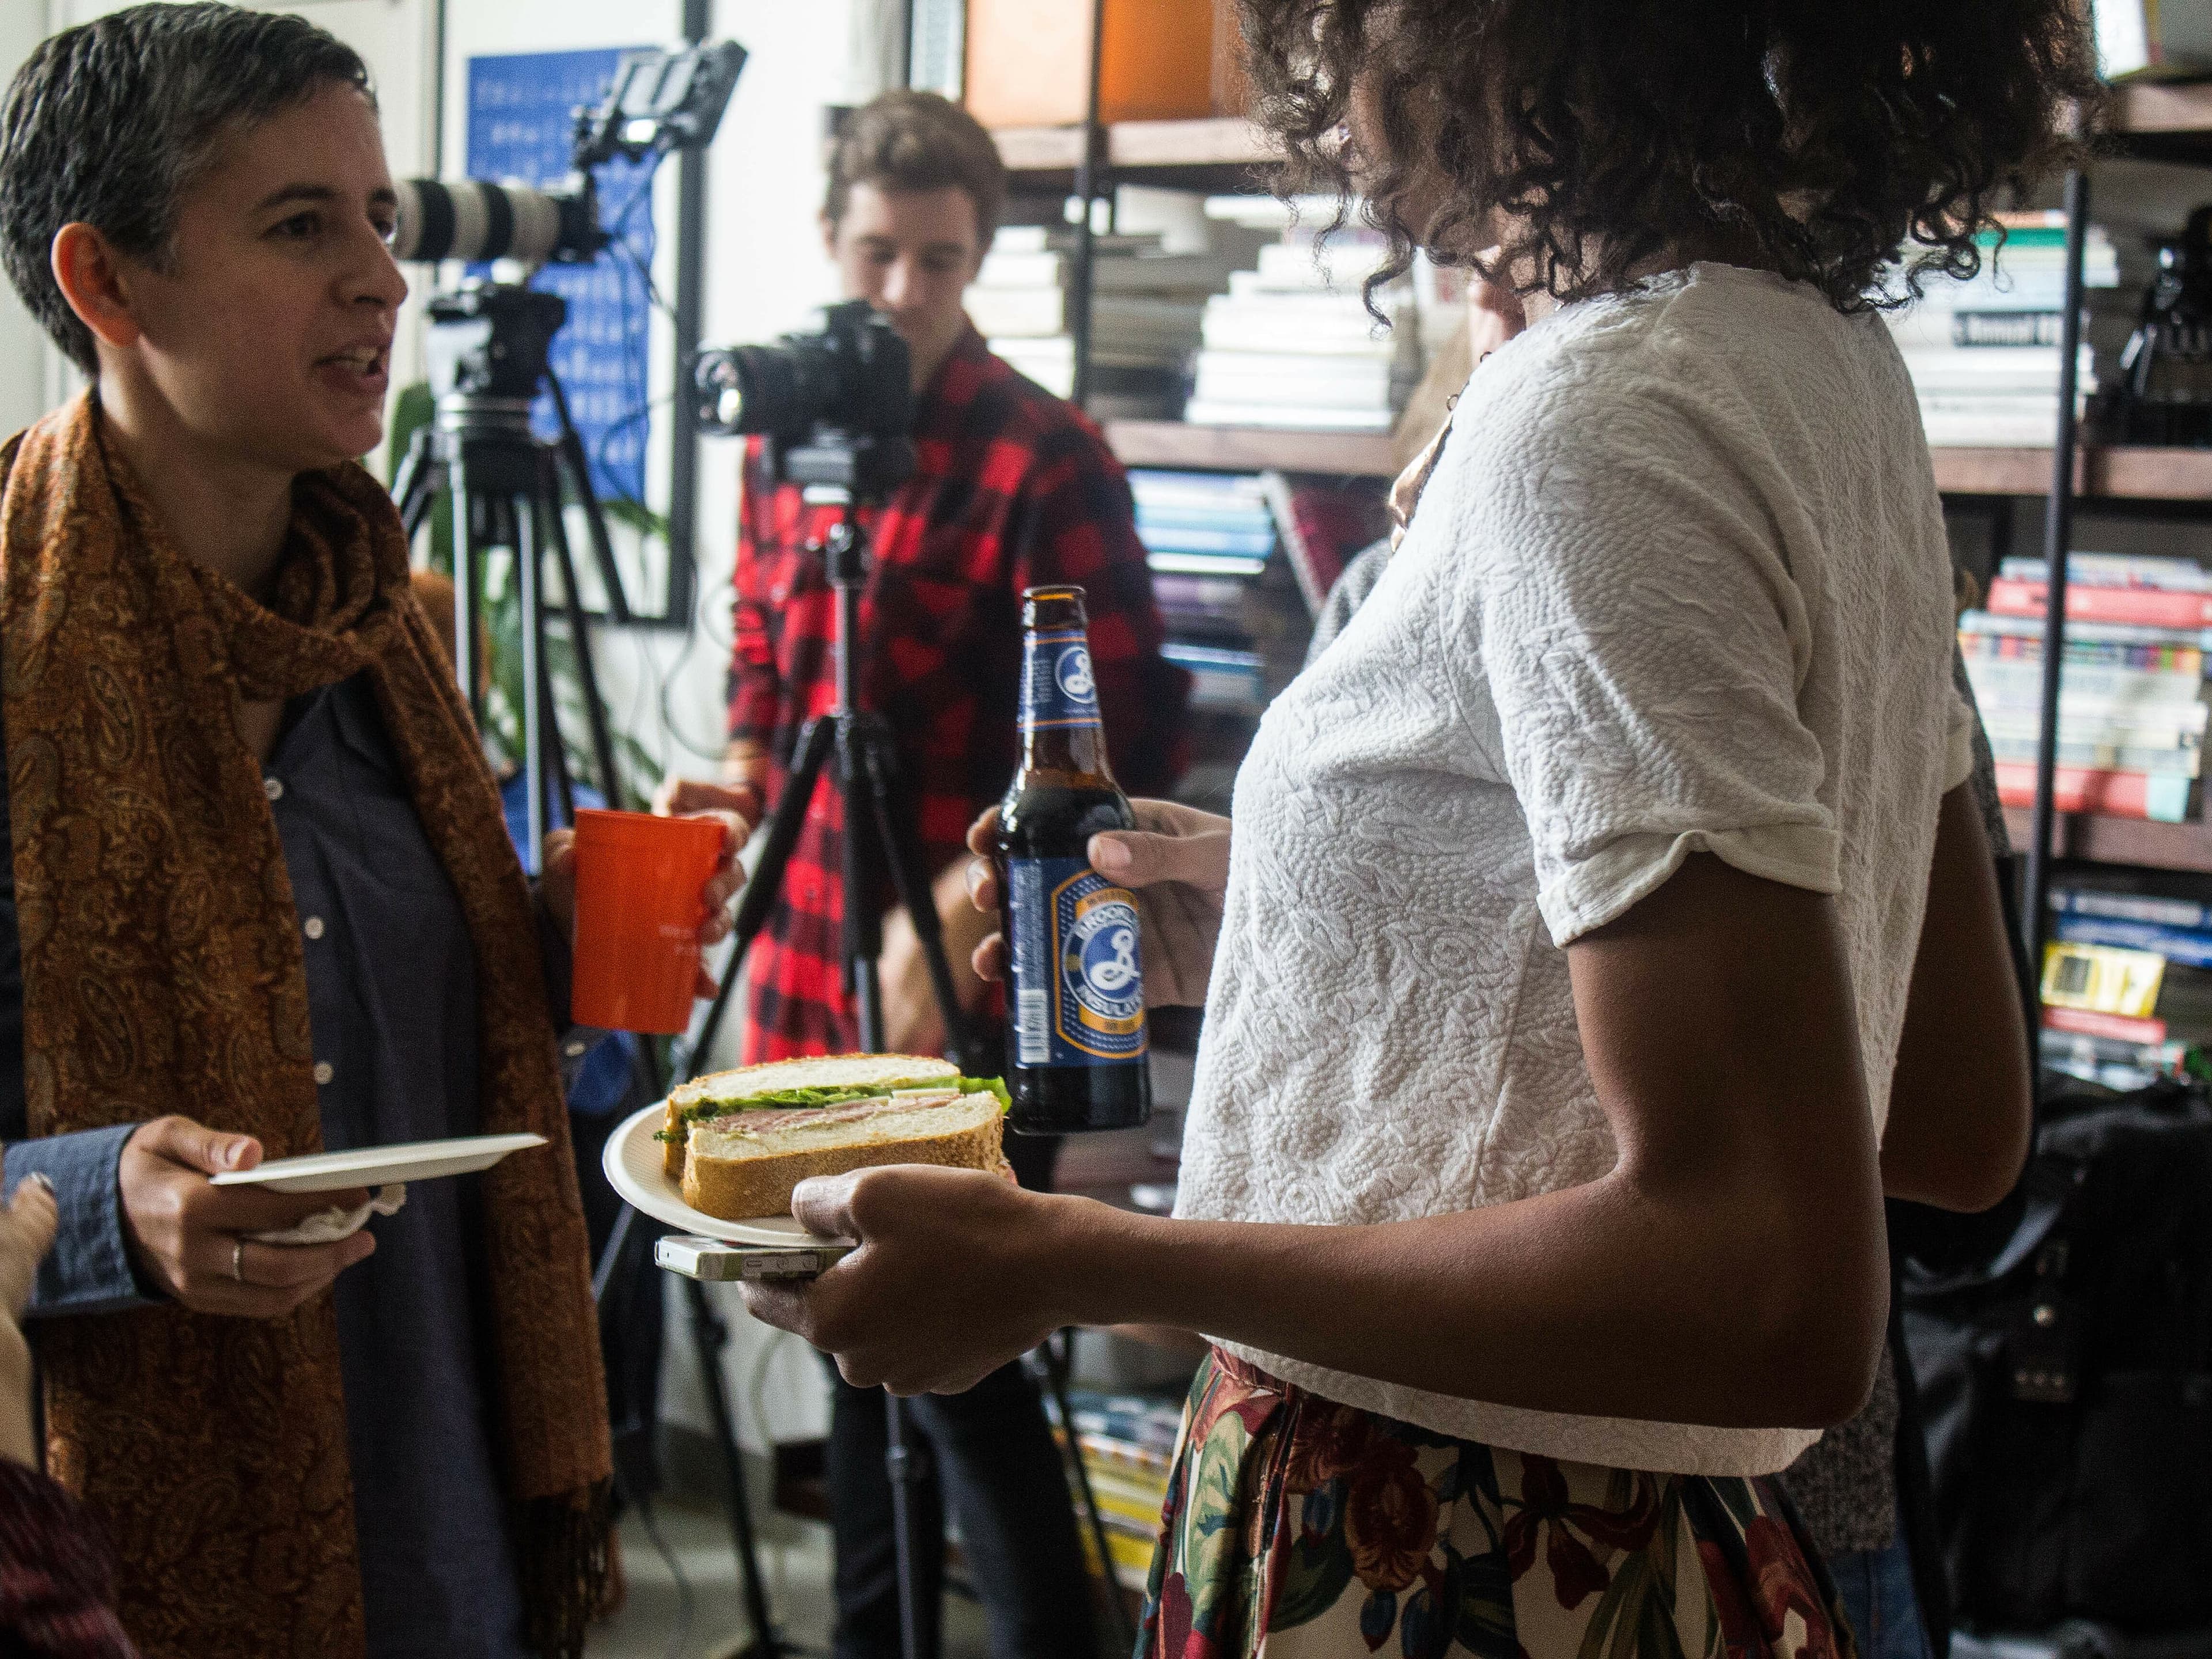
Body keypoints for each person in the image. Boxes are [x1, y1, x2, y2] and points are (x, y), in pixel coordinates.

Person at [738, 6, 2093, 1658]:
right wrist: (1326, 914)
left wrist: (1074, 1261)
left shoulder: (1594, 421)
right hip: (1644, 1563)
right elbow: (1947, 1106)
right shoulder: (1830, 374)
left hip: (1439, 1554)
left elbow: (1771, 1291)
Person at [0, 8, 751, 1656]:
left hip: (442, 1504)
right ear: (106, 285)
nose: (384, 280)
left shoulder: (392, 635)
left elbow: (402, 1037)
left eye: (381, 221)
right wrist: (101, 1209)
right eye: (299, 226)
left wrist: (548, 939)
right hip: (117, 1562)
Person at [677, 88, 1190, 1659]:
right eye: (880, 254)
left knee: (968, 1379)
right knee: (847, 1352)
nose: (905, 293)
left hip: (973, 967)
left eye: (942, 262)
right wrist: (729, 793)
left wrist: (960, 895)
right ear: (835, 244)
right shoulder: (788, 437)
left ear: (982, 263)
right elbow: (770, 684)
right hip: (812, 952)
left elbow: (1121, 754)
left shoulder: (1046, 453)